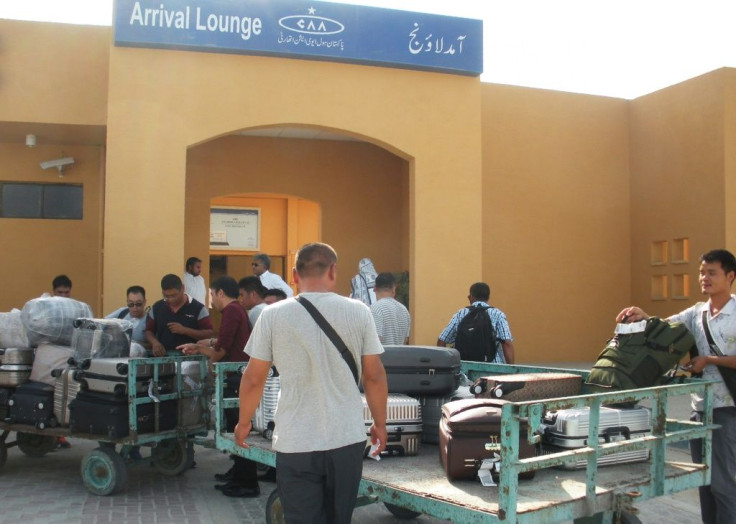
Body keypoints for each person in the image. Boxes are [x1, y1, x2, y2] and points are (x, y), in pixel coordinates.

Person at [234, 242, 388, 523]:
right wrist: (380, 423)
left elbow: (254, 378)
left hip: (296, 440)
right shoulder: (359, 311)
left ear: (293, 275)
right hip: (346, 438)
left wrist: (243, 422)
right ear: (333, 271)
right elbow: (374, 376)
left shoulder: (272, 315)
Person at [616, 249, 736, 524]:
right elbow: (666, 326)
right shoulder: (696, 313)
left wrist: (708, 359)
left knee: (722, 484)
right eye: (702, 272)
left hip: (727, 407)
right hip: (699, 409)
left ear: (730, 276)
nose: (704, 278)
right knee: (704, 481)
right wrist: (642, 315)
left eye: (711, 273)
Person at [177, 276, 260, 498]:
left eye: (211, 294)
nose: (210, 299)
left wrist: (211, 367)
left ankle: (247, 482)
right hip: (236, 377)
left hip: (235, 378)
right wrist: (199, 346)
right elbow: (220, 342)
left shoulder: (232, 311)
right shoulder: (235, 310)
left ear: (220, 293)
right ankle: (238, 474)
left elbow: (221, 350)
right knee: (235, 429)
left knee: (238, 429)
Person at [436, 282, 515, 364]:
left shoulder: (460, 314)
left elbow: (442, 340)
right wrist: (512, 370)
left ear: (471, 297)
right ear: (488, 297)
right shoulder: (498, 314)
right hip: (493, 368)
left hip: (465, 368)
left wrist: (446, 365)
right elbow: (507, 343)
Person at [144, 274, 215, 356]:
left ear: (182, 288)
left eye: (174, 295)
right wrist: (154, 343)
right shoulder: (157, 307)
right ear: (162, 292)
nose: (170, 299)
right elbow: (148, 331)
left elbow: (209, 333)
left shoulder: (198, 308)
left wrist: (185, 330)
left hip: (191, 359)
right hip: (163, 359)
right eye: (166, 296)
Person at [370, 272, 411, 345]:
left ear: (374, 288)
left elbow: (374, 341)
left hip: (383, 356)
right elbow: (405, 340)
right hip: (399, 356)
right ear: (393, 289)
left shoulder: (375, 308)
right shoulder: (404, 310)